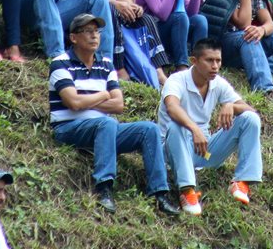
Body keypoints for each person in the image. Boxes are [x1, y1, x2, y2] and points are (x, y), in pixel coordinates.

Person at [49, 12, 179, 215]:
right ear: (73, 37)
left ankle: (160, 193)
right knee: (107, 123)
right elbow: (73, 102)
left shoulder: (106, 63)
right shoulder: (61, 62)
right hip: (68, 128)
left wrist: (86, 101)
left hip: (103, 131)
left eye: (97, 31)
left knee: (149, 129)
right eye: (88, 31)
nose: (94, 36)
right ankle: (104, 188)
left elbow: (118, 104)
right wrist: (102, 94)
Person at [158, 38, 261, 214]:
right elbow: (172, 107)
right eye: (209, 60)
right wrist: (195, 129)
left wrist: (231, 106)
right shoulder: (176, 80)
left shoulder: (218, 83)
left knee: (250, 119)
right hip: (172, 150)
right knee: (176, 126)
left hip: (203, 150)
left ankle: (241, 182)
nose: (215, 66)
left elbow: (249, 109)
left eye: (218, 61)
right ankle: (187, 191)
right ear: (194, 61)